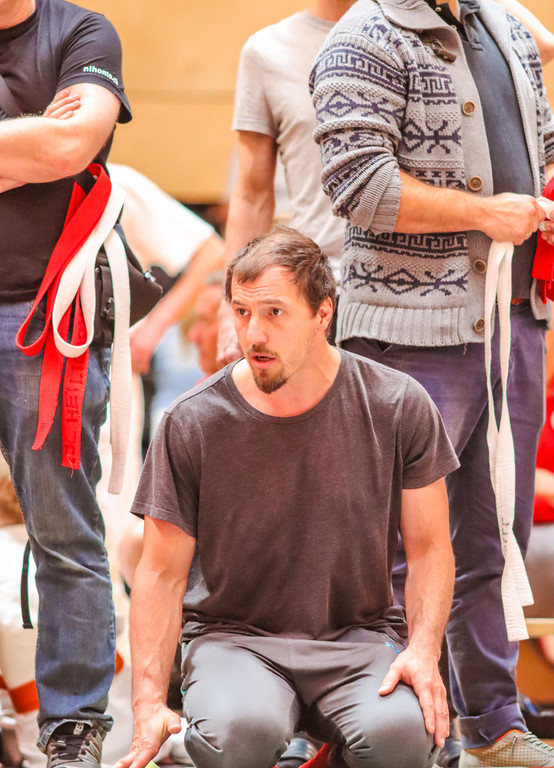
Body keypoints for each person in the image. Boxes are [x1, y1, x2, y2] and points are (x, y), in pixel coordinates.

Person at [114, 226, 459, 768]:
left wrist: (422, 651)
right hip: (234, 639)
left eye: (274, 312)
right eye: (242, 312)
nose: (253, 333)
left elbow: (431, 548)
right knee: (239, 735)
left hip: (357, 639)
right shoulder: (191, 420)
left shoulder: (397, 404)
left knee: (402, 739)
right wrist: (150, 702)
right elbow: (160, 574)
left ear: (323, 314)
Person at [310, 1, 554, 766]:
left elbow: (544, 146)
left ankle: (493, 725)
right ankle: (397, 735)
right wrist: (485, 213)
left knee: (497, 535)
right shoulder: (364, 35)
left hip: (513, 321)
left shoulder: (508, 28)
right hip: (405, 332)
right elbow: (360, 185)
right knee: (391, 548)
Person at [218, 0, 554, 367]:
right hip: (321, 285)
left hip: (434, 286)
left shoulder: (446, 29)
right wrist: (229, 306)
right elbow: (251, 195)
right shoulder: (269, 50)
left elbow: (541, 45)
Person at [0, 1, 131, 766]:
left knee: (64, 534)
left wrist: (55, 147)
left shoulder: (82, 33)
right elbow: (48, 145)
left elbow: (71, 144)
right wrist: (33, 143)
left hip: (48, 314)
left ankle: (72, 731)